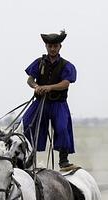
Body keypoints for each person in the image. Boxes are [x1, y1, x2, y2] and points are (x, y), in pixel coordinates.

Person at [22, 30, 77, 170]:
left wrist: (49, 87)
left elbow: (66, 83)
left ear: (60, 47)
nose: (52, 49)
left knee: (62, 127)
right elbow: (30, 80)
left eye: (55, 46)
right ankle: (29, 155)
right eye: (50, 46)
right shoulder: (39, 62)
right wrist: (36, 87)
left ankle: (63, 160)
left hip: (58, 104)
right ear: (46, 47)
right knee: (27, 122)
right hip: (41, 103)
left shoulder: (66, 65)